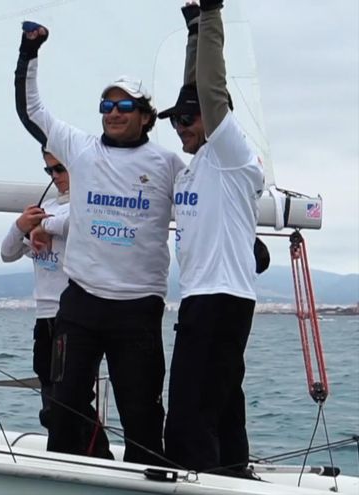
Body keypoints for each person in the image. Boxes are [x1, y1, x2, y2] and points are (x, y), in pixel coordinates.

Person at [14, 22, 185, 464]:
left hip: (137, 308)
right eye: (106, 105)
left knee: (141, 413)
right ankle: (66, 478)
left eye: (124, 104)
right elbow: (32, 110)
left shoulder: (168, 164)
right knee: (63, 406)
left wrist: (249, 249)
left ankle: (149, 481)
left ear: (146, 115)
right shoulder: (81, 150)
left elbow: (201, 214)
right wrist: (28, 52)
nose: (113, 111)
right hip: (82, 303)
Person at [160, 0, 265, 476]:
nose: (180, 127)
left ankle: (204, 478)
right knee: (219, 400)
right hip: (205, 299)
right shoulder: (196, 167)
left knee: (188, 413)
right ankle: (233, 471)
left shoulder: (230, 156)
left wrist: (213, 16)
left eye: (189, 120)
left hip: (221, 297)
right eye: (175, 121)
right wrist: (193, 32)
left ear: (213, 121)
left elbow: (209, 89)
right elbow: (193, 90)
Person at [0, 150, 111, 457]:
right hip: (44, 315)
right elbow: (7, 252)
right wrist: (22, 225)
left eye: (60, 169)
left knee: (69, 396)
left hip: (74, 315)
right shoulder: (45, 209)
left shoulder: (88, 205)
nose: (55, 176)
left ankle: (94, 453)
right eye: (49, 171)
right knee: (50, 392)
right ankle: (76, 452)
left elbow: (83, 222)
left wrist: (43, 227)